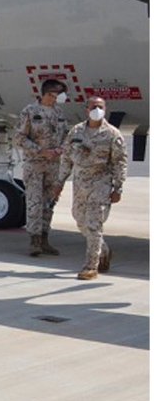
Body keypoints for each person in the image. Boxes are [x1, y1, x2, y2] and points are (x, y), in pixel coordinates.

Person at [56, 95, 127, 280]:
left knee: (94, 225)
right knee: (79, 219)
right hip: (80, 184)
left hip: (101, 183)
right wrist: (60, 182)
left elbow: (119, 162)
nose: (97, 110)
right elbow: (66, 158)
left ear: (105, 109)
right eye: (93, 106)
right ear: (86, 109)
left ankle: (91, 267)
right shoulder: (76, 131)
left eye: (100, 107)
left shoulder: (112, 134)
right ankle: (103, 250)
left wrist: (118, 188)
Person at [14, 79, 70, 256]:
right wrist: (40, 151)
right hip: (35, 164)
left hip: (53, 165)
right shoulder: (30, 111)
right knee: (34, 202)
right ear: (45, 94)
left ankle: (45, 238)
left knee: (49, 202)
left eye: (57, 96)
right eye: (53, 95)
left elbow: (66, 136)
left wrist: (60, 150)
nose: (55, 99)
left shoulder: (59, 113)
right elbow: (19, 138)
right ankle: (35, 240)